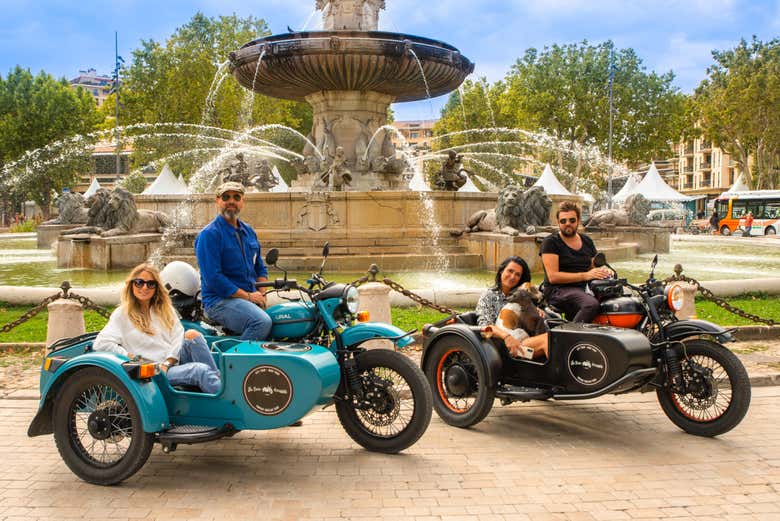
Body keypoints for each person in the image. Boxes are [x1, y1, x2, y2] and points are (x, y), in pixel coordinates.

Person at [93, 264, 221, 393]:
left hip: (169, 363)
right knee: (199, 370)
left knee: (193, 335)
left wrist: (168, 361)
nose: (144, 287)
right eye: (139, 282)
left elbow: (177, 338)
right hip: (152, 369)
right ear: (131, 285)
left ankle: (218, 384)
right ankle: (224, 399)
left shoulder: (164, 310)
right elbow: (101, 343)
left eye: (150, 284)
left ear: (156, 287)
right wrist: (128, 355)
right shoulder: (122, 314)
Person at [195, 181, 272, 340]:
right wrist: (249, 297)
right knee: (260, 322)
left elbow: (260, 268)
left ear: (242, 201)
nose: (231, 201)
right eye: (226, 197)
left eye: (236, 197)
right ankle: (237, 362)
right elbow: (213, 278)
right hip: (220, 301)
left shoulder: (249, 231)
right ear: (217, 201)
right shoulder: (209, 235)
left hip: (247, 296)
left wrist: (262, 294)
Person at [540, 200, 611, 323]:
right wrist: (585, 275)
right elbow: (553, 277)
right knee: (591, 304)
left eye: (572, 220)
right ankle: (570, 337)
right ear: (558, 223)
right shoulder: (550, 242)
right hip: (558, 290)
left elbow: (592, 266)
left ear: (578, 220)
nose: (568, 224)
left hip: (584, 288)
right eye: (563, 221)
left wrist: (603, 271)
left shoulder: (587, 241)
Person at [476, 256, 548, 360]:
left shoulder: (522, 295)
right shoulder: (488, 296)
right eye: (510, 271)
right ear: (501, 271)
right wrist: (506, 337)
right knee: (548, 341)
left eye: (517, 274)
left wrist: (538, 311)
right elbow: (485, 327)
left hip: (526, 341)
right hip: (508, 350)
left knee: (555, 340)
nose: (513, 276)